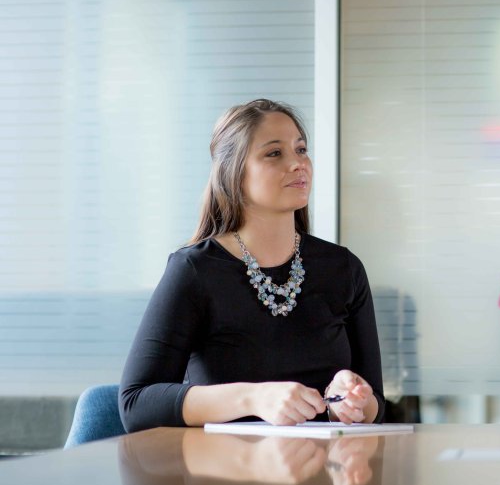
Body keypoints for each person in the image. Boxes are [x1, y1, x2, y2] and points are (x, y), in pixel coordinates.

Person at [120, 99, 384, 432]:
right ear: (234, 173)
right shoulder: (194, 271)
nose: (298, 163)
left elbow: (377, 403)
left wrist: (355, 403)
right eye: (275, 154)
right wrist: (254, 399)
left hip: (324, 475)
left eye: (301, 150)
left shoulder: (344, 269)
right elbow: (136, 404)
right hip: (225, 477)